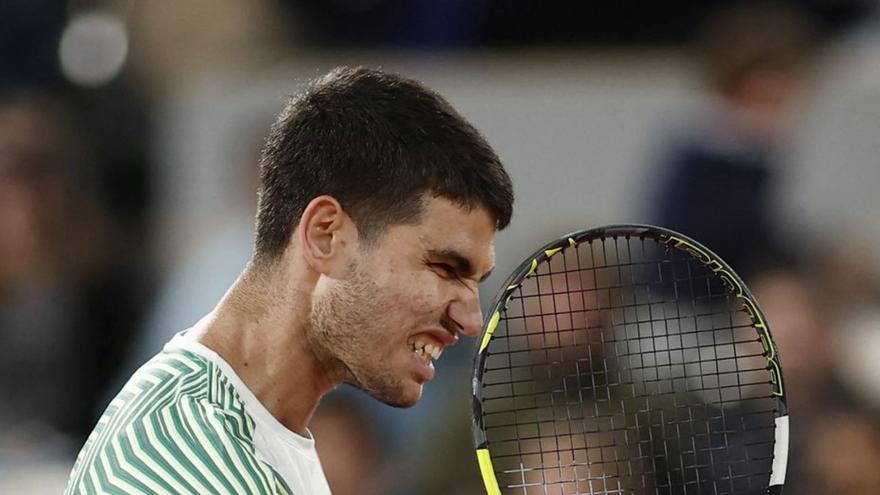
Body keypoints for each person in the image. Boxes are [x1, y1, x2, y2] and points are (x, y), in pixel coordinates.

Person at [64, 66, 514, 494]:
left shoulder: (244, 428)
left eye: (475, 280)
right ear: (326, 236)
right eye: (445, 268)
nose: (472, 320)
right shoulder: (191, 462)